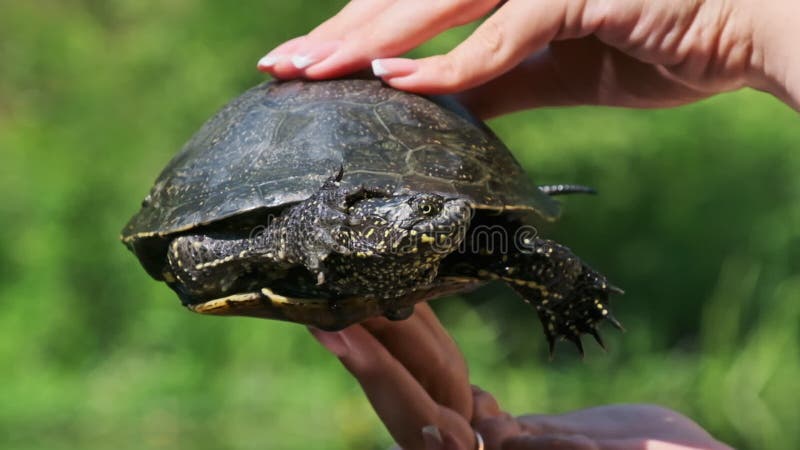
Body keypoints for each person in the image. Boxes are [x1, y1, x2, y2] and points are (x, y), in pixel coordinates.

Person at [256, 0, 797, 448]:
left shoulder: (469, 234)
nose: (450, 212)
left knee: (503, 243)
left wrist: (741, 26)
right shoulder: (286, 224)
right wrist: (745, 32)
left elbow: (497, 235)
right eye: (427, 208)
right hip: (268, 211)